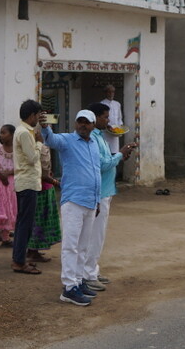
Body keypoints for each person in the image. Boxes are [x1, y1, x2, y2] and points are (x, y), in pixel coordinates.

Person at [42, 109, 104, 306]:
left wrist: (98, 201)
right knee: (71, 246)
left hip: (90, 202)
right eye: (80, 121)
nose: (83, 125)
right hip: (73, 202)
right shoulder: (67, 140)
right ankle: (69, 288)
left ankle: (78, 281)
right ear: (76, 123)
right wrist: (45, 127)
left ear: (93, 125)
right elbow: (50, 140)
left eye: (87, 122)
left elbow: (96, 173)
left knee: (83, 246)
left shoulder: (94, 144)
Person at [83, 102, 137, 292]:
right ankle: (87, 274)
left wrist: (120, 155)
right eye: (105, 117)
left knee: (99, 235)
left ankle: (92, 270)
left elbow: (107, 159)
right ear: (95, 118)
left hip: (106, 190)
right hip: (99, 192)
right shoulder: (93, 139)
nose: (108, 121)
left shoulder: (100, 136)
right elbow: (102, 164)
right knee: (94, 235)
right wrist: (119, 156)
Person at [12, 99, 43, 275]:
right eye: (38, 115)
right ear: (32, 115)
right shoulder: (24, 133)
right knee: (25, 224)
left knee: (23, 223)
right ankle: (19, 261)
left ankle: (19, 258)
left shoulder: (23, 131)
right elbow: (32, 158)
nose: (39, 118)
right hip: (27, 182)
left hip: (27, 182)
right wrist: (39, 142)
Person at [27, 127, 61, 264]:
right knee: (39, 220)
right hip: (41, 188)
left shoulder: (44, 147)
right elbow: (41, 172)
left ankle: (33, 249)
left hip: (45, 187)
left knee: (40, 220)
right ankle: (33, 251)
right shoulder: (36, 148)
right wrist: (56, 182)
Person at [100, 84, 124, 154]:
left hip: (115, 134)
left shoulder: (117, 104)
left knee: (115, 153)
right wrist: (107, 128)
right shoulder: (102, 104)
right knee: (106, 152)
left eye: (113, 92)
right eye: (109, 92)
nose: (111, 94)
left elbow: (119, 118)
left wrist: (120, 129)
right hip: (106, 133)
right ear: (105, 93)